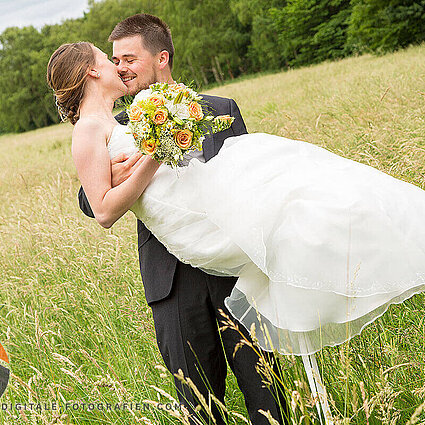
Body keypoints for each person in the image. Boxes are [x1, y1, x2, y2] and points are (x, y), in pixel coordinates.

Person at [52, 13, 287, 425]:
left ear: (160, 57)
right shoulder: (117, 124)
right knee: (198, 405)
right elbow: (93, 201)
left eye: (129, 58)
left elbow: (254, 179)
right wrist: (129, 168)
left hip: (235, 270)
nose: (121, 67)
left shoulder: (221, 110)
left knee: (268, 393)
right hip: (172, 283)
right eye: (115, 60)